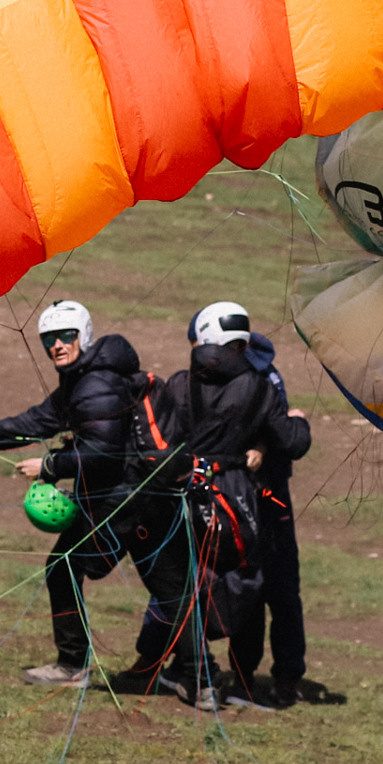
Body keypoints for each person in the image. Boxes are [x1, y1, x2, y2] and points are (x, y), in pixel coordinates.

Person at [124, 301, 311, 709]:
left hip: (184, 493)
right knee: (250, 583)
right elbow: (293, 441)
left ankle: (165, 664)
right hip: (240, 500)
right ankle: (243, 678)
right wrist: (298, 421)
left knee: (180, 581)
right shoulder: (260, 387)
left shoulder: (177, 384)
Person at [0, 300, 142, 686]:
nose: (56, 345)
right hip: (124, 496)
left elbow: (106, 452)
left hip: (126, 499)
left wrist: (50, 466)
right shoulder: (81, 379)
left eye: (66, 336)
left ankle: (75, 667)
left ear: (83, 336)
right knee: (168, 582)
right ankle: (191, 675)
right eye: (49, 340)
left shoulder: (97, 383)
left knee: (66, 567)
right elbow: (38, 421)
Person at [223, 325, 310, 709]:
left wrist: (271, 438)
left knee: (276, 586)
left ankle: (284, 678)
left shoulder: (260, 377)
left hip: (268, 496)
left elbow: (286, 436)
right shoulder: (256, 371)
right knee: (250, 586)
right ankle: (248, 676)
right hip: (247, 495)